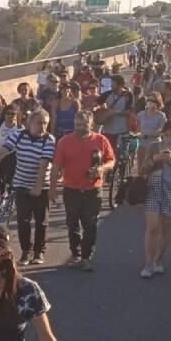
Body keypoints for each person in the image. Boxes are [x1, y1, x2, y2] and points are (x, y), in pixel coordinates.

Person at [53, 111, 115, 271]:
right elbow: (56, 166)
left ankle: (86, 257)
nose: (80, 128)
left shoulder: (101, 140)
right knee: (72, 223)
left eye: (84, 125)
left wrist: (102, 167)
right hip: (71, 189)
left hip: (92, 190)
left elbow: (111, 161)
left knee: (90, 224)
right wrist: (52, 188)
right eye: (77, 125)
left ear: (91, 124)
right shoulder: (64, 142)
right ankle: (76, 254)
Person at [2, 110, 57, 266]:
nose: (43, 126)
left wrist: (38, 187)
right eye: (39, 123)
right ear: (30, 123)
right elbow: (3, 150)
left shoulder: (49, 139)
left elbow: (44, 165)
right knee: (23, 221)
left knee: (41, 221)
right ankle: (26, 252)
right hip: (21, 184)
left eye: (46, 123)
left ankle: (39, 252)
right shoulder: (19, 135)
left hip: (42, 186)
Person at [139, 120, 171, 279]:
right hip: (154, 188)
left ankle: (158, 260)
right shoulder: (154, 146)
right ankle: (148, 263)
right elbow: (143, 169)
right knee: (151, 228)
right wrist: (155, 159)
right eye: (165, 135)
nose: (168, 139)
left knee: (165, 229)